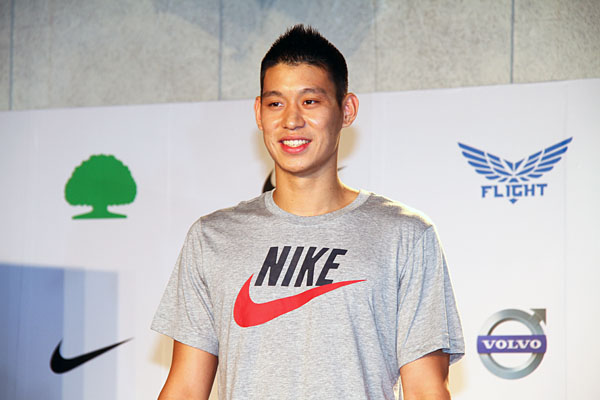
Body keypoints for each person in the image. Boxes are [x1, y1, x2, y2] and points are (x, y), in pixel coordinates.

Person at [152, 24, 464, 400]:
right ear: (258, 112)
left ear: (346, 110)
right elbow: (186, 388)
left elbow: (426, 389)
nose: (291, 120)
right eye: (276, 103)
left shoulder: (405, 235)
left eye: (310, 101)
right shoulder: (212, 237)